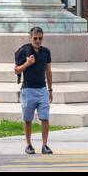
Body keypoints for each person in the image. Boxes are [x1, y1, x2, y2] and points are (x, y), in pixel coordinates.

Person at [14, 26, 54, 155]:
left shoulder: (46, 52)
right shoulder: (24, 51)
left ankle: (45, 145)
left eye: (40, 39)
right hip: (28, 89)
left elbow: (48, 71)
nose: (38, 41)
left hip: (42, 89)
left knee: (45, 118)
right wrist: (27, 64)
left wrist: (50, 89)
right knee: (27, 119)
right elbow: (16, 70)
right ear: (30, 38)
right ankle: (28, 145)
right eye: (35, 38)